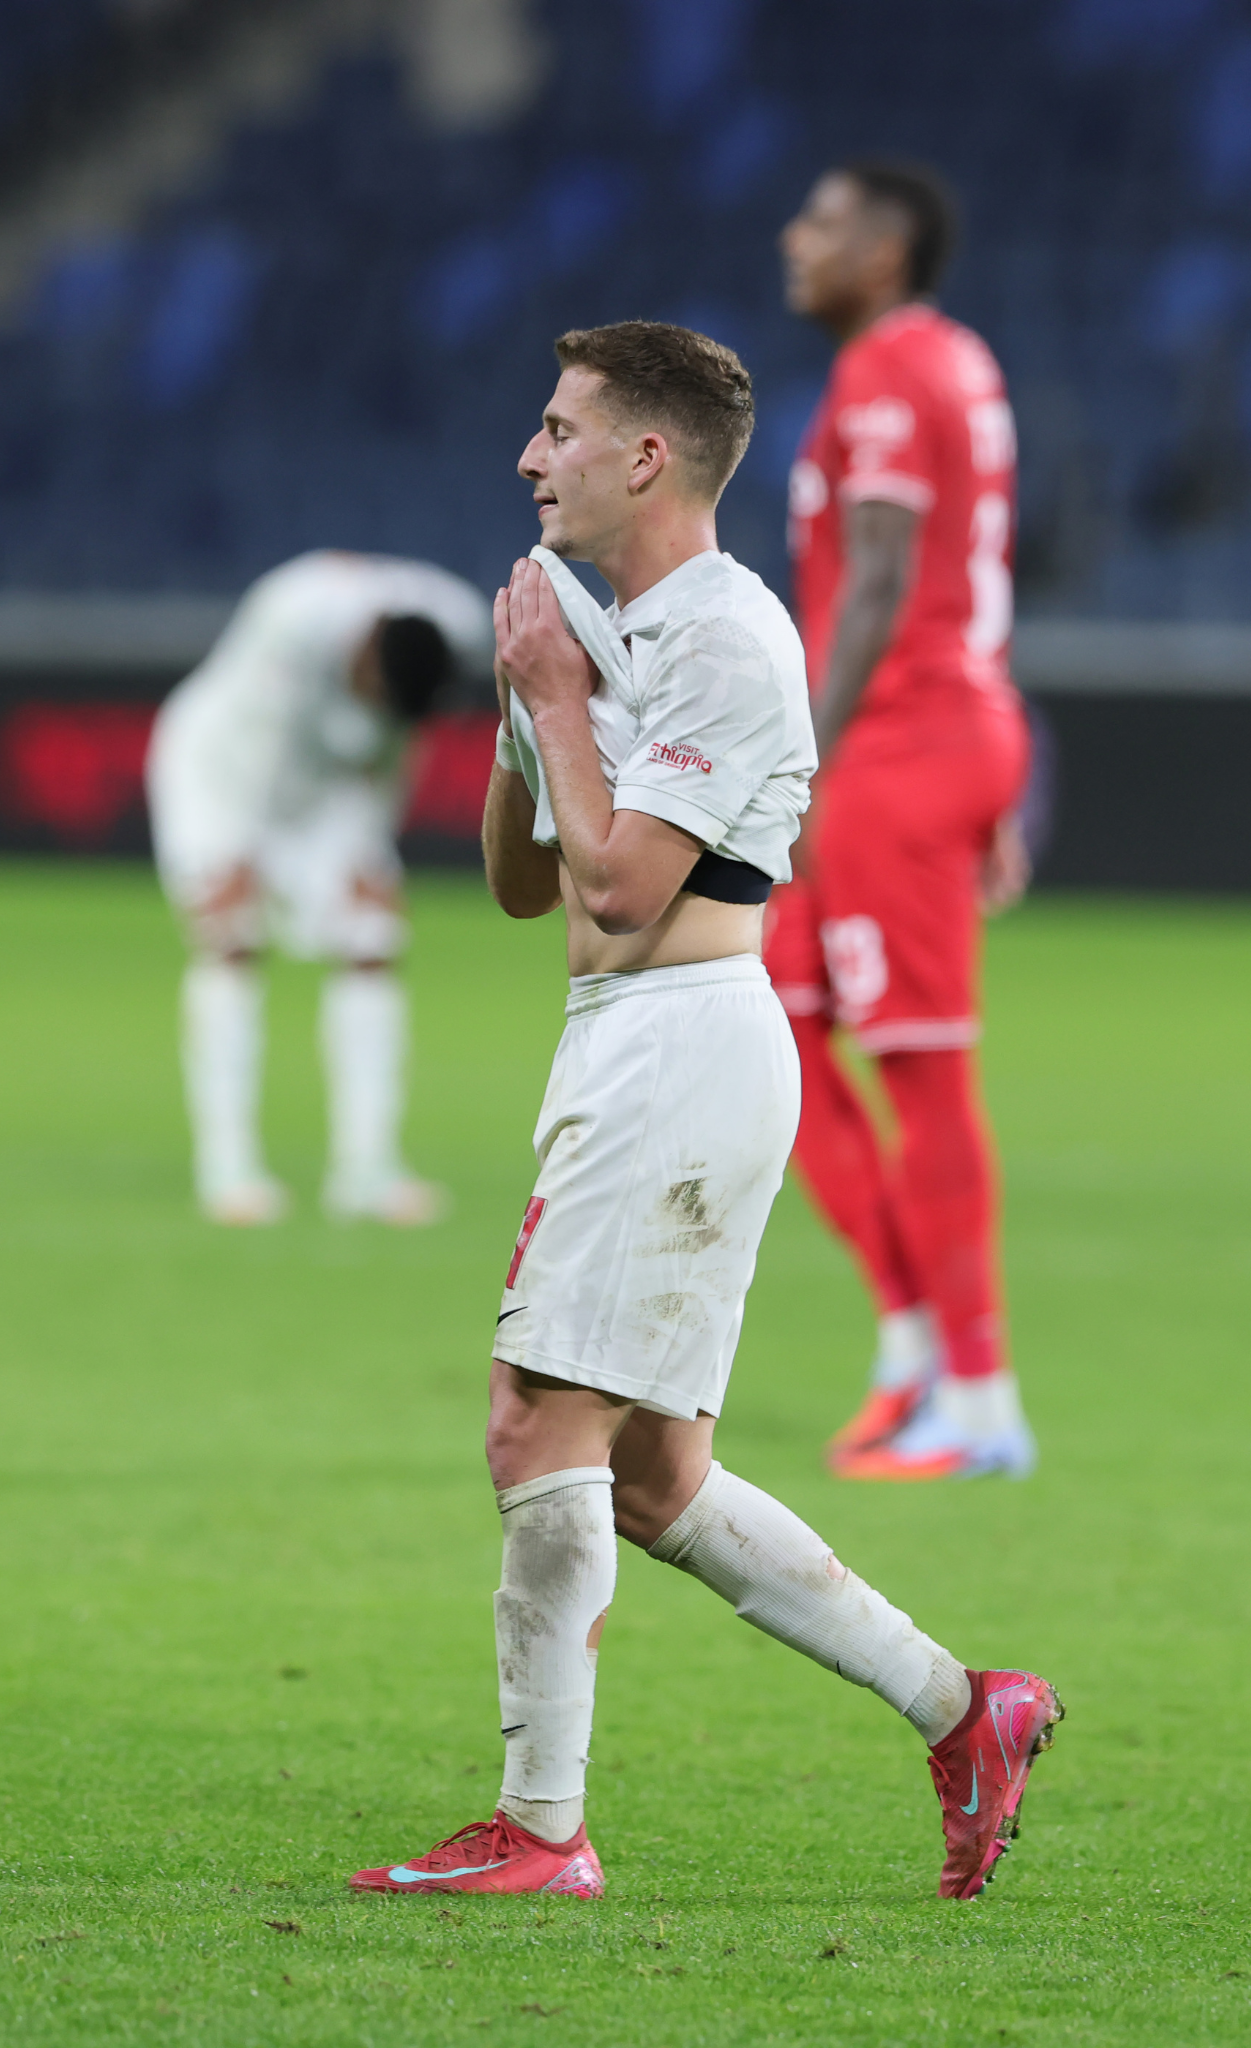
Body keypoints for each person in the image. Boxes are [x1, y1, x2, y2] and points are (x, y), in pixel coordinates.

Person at [349, 321, 1059, 1903]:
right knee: (655, 1478)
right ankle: (966, 1711)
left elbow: (623, 886)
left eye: (559, 429)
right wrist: (528, 711)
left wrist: (557, 693)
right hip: (628, 1040)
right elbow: (526, 886)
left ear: (647, 455)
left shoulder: (730, 636)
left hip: (682, 1044)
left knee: (534, 1424)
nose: (530, 457)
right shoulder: (613, 633)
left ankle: (542, 1832)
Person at [766, 159, 1036, 1480]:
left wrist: (802, 765)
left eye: (822, 223)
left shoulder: (884, 370)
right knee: (780, 1020)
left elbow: (879, 574)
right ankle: (912, 1343)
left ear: (882, 251)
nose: (794, 240)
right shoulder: (953, 358)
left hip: (895, 743)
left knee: (921, 1071)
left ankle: (978, 1406)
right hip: (934, 731)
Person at [146, 551, 490, 1227]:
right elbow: (257, 745)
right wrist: (236, 857)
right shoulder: (293, 616)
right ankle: (228, 1171)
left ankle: (366, 1171)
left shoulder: (460, 623)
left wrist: (371, 848)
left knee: (373, 935)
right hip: (220, 769)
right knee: (232, 935)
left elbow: (397, 744)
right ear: (365, 652)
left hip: (332, 783)